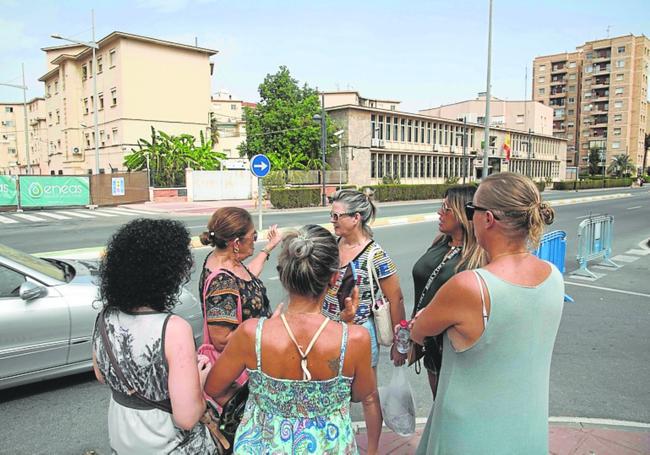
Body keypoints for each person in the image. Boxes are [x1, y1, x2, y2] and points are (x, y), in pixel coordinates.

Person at [412, 172, 564, 454]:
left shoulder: (471, 286)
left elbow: (419, 329)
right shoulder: (554, 276)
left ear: (488, 219)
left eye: (472, 210)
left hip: (469, 432)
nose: (471, 217)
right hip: (526, 427)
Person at [205, 225, 376, 454]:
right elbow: (360, 393)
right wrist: (347, 325)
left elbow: (214, 386)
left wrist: (262, 397)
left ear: (283, 274)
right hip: (330, 446)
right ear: (334, 278)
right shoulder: (354, 338)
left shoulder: (251, 334)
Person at [92, 218, 217, 454]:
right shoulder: (173, 328)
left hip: (123, 441)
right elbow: (187, 418)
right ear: (165, 273)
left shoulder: (105, 317)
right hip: (168, 445)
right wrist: (198, 381)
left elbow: (101, 374)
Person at [321, 189, 406, 454]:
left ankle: (371, 450)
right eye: (331, 215)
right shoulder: (332, 248)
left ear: (356, 218)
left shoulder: (374, 255)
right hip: (330, 329)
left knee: (368, 395)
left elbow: (396, 298)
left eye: (337, 216)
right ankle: (339, 444)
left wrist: (400, 342)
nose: (332, 221)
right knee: (334, 390)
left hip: (361, 332)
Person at [198, 207, 281, 401]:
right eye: (253, 236)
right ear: (236, 243)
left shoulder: (225, 263)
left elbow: (245, 282)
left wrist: (269, 247)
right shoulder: (222, 283)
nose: (255, 240)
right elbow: (221, 339)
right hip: (240, 372)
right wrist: (267, 326)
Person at [411, 185, 486, 397]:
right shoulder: (440, 242)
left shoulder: (479, 257)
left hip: (456, 350)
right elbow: (425, 289)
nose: (439, 213)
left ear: (464, 214)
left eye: (447, 208)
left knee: (453, 408)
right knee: (439, 405)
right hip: (430, 344)